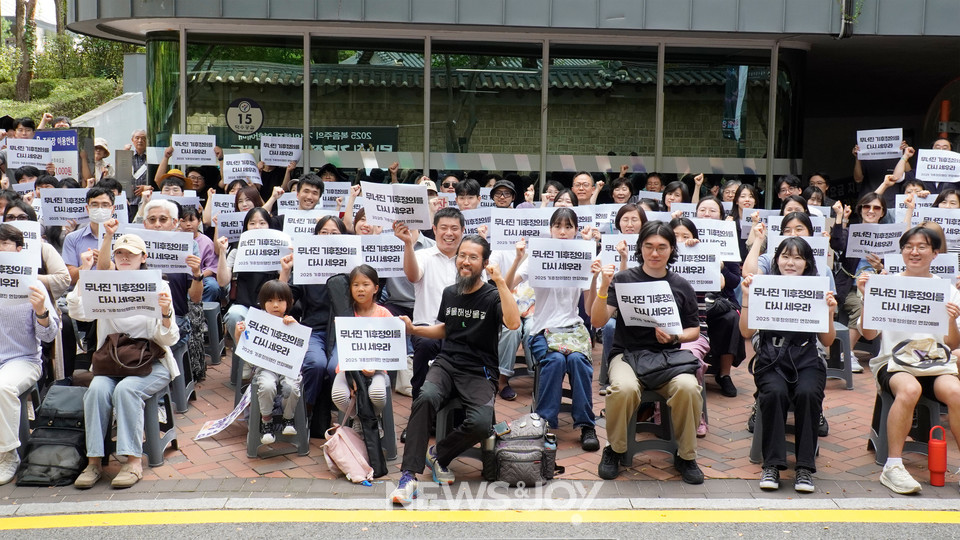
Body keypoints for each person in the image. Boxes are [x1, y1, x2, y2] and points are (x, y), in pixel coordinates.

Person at [389, 234, 520, 504]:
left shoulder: (493, 296)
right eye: (462, 256)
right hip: (447, 363)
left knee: (482, 423)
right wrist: (415, 330)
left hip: (480, 370)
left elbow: (513, 323)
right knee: (425, 397)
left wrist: (500, 282)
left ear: (484, 262)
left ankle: (439, 454)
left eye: (473, 257)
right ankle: (408, 477)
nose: (465, 261)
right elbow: (445, 329)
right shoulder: (450, 292)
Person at [592, 220, 705, 484]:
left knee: (688, 388)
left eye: (662, 247)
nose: (655, 253)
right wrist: (603, 287)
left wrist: (676, 337)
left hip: (668, 359)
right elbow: (597, 321)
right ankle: (614, 449)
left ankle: (686, 456)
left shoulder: (681, 285)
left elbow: (694, 330)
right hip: (627, 355)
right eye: (649, 246)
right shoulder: (623, 279)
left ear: (672, 249)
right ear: (640, 248)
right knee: (623, 389)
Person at [70, 234, 180, 489]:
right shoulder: (104, 284)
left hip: (151, 362)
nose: (125, 258)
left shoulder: (159, 286)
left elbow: (169, 338)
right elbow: (78, 312)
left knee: (126, 390)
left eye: (131, 253)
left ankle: (133, 461)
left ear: (144, 257)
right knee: (96, 391)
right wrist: (84, 273)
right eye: (120, 253)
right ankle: (94, 462)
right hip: (112, 362)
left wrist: (165, 313)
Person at [858, 226, 960, 494]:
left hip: (933, 363)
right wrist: (868, 298)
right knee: (910, 388)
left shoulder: (946, 290)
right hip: (893, 363)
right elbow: (868, 334)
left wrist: (951, 320)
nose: (915, 252)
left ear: (935, 253)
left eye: (922, 247)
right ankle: (893, 466)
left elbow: (951, 344)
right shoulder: (886, 284)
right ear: (901, 251)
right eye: (909, 247)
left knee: (956, 392)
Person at [740, 237, 837, 493]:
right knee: (774, 393)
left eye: (797, 258)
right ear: (776, 260)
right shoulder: (765, 286)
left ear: (807, 263)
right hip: (772, 360)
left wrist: (829, 313)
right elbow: (746, 333)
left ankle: (804, 467)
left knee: (808, 394)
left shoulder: (817, 290)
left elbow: (827, 341)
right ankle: (772, 464)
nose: (790, 263)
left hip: (807, 359)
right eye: (785, 256)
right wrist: (747, 298)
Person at [506, 208, 599, 450]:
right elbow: (505, 286)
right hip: (542, 331)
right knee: (555, 361)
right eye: (558, 226)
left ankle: (586, 425)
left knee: (578, 362)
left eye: (568, 227)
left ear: (576, 230)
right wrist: (518, 258)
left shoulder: (583, 257)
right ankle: (544, 422)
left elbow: (590, 309)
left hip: (573, 329)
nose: (563, 231)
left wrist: (594, 279)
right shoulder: (537, 256)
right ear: (550, 229)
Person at [0, 224, 60, 485]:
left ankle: (7, 455)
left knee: (3, 388)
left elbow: (48, 336)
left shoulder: (33, 285)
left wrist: (41, 312)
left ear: (19, 250)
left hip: (22, 358)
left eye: (4, 244)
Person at [394, 207, 464, 400]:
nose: (449, 233)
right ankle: (419, 402)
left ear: (462, 231)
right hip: (426, 327)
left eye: (454, 228)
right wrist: (408, 244)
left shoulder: (468, 260)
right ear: (434, 229)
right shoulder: (423, 256)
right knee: (425, 345)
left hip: (461, 328)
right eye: (443, 228)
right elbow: (412, 275)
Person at [235, 280, 302, 445]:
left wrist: (296, 327)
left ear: (289, 302)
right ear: (262, 302)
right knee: (266, 386)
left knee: (291, 387)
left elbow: (301, 347)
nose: (275, 305)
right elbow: (243, 347)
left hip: (287, 368)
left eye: (280, 300)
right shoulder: (257, 322)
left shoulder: (291, 321)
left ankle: (288, 418)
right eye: (270, 300)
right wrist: (238, 333)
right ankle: (266, 421)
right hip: (265, 368)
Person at [330, 265, 393, 420]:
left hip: (377, 369)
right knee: (339, 396)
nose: (360, 289)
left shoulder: (384, 314)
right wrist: (353, 377)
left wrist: (374, 367)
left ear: (376, 288)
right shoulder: (346, 314)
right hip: (348, 368)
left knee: (377, 394)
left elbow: (391, 347)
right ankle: (362, 421)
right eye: (355, 285)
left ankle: (370, 421)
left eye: (366, 284)